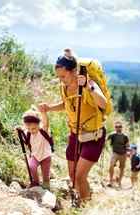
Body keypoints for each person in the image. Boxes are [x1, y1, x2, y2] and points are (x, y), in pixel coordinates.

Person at [39, 49, 107, 203]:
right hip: (75, 135)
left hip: (93, 136)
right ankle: (81, 201)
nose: (61, 80)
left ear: (74, 71)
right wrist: (49, 108)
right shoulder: (64, 87)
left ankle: (85, 207)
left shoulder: (89, 83)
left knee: (80, 176)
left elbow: (103, 103)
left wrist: (88, 87)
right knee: (72, 174)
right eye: (59, 77)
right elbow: (67, 104)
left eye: (63, 76)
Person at [15, 108, 53, 190]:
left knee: (45, 175)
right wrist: (19, 132)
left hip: (46, 156)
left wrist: (44, 113)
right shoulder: (28, 133)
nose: (31, 131)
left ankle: (46, 187)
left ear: (39, 125)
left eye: (34, 129)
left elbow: (46, 124)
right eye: (29, 129)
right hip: (35, 155)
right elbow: (24, 139)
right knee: (31, 166)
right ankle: (36, 183)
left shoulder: (43, 131)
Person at [107, 121, 129, 188]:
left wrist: (128, 153)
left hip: (123, 154)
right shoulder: (112, 135)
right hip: (115, 153)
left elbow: (127, 145)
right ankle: (110, 181)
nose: (118, 128)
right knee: (111, 165)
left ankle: (119, 182)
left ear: (122, 128)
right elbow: (105, 140)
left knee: (122, 168)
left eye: (119, 127)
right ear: (115, 128)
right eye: (116, 127)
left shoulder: (125, 136)